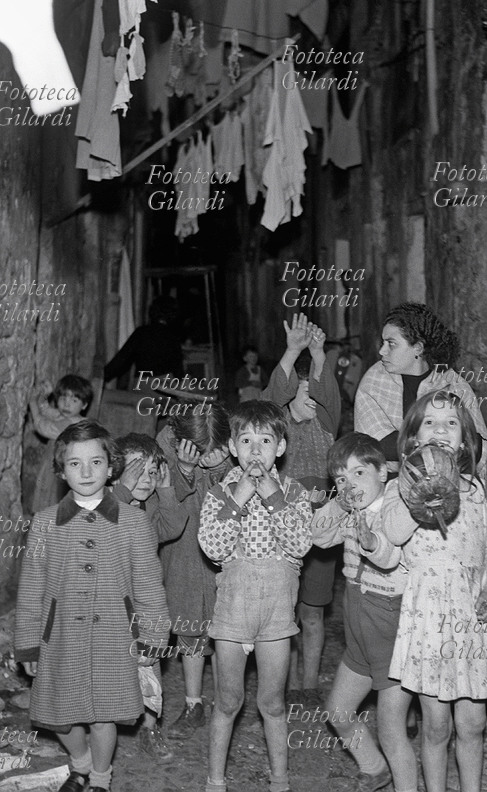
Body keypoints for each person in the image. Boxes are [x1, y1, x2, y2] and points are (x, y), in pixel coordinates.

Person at [15, 420, 169, 792]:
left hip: (116, 638)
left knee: (105, 717)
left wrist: (152, 637)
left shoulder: (132, 522)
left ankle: (99, 777)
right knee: (61, 717)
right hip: (61, 637)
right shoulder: (44, 524)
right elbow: (32, 585)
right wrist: (28, 642)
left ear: (111, 467)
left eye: (96, 462)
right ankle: (79, 763)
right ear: (61, 470)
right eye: (74, 464)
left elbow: (149, 584)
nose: (86, 472)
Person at [372, 391, 487, 792]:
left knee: (473, 723)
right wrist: (419, 493)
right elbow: (392, 536)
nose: (440, 430)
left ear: (464, 439)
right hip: (426, 618)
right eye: (429, 422)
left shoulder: (476, 491)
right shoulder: (398, 489)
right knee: (437, 725)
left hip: (466, 616)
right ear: (412, 437)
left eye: (450, 424)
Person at [199, 401, 313, 792]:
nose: (255, 450)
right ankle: (216, 781)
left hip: (276, 613)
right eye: (246, 440)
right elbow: (213, 548)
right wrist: (239, 496)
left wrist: (273, 497)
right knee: (228, 701)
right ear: (232, 447)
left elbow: (299, 545)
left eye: (265, 441)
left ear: (280, 448)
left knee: (272, 703)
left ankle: (279, 780)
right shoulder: (219, 493)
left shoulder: (294, 492)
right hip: (233, 611)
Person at [312, 433, 417, 792]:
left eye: (359, 473)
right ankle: (374, 768)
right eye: (341, 478)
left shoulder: (394, 509)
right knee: (338, 712)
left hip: (390, 626)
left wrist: (370, 541)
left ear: (383, 473)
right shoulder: (350, 511)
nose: (350, 483)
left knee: (391, 729)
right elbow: (319, 537)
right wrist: (337, 505)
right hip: (358, 624)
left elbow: (390, 554)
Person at [262, 313, 342, 707]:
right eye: (305, 391)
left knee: (312, 613)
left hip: (321, 532)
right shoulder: (274, 432)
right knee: (284, 614)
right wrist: (292, 352)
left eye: (318, 393)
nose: (313, 399)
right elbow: (265, 403)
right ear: (292, 391)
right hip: (282, 531)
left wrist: (318, 353)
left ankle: (308, 686)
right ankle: (281, 685)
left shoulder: (327, 425)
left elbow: (331, 396)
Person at [155, 406, 233, 735]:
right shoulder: (166, 448)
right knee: (189, 626)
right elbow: (165, 497)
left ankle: (228, 701)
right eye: (200, 452)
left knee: (225, 627)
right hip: (184, 552)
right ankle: (193, 704)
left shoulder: (228, 454)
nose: (205, 458)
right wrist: (186, 470)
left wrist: (221, 468)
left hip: (221, 555)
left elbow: (233, 494)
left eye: (213, 452)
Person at [111, 433, 189, 761]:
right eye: (136, 470)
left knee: (149, 663)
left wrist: (167, 488)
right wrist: (122, 490)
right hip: (109, 602)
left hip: (144, 603)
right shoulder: (108, 502)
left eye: (153, 471)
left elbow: (172, 527)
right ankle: (98, 725)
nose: (146, 479)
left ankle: (150, 725)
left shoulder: (149, 506)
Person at [354, 302, 487, 475]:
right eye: (383, 342)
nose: (382, 351)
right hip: (390, 488)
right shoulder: (374, 381)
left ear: (417, 347)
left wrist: (406, 449)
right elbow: (374, 446)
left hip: (450, 482)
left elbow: (475, 445)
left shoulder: (452, 383)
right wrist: (444, 443)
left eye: (391, 343)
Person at [29, 374, 93, 513]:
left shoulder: (70, 424)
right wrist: (44, 396)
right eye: (63, 398)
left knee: (52, 499)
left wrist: (33, 402)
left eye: (74, 400)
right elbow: (48, 411)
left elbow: (43, 426)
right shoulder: (71, 416)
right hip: (58, 468)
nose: (66, 404)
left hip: (59, 471)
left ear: (84, 405)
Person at [104, 295, 183, 385]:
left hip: (142, 386)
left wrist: (102, 376)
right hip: (166, 387)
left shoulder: (141, 333)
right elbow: (178, 370)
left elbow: (120, 360)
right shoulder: (172, 337)